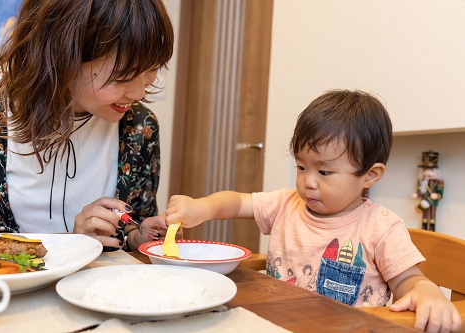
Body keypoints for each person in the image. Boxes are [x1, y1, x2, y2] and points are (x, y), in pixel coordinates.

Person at [165, 90, 461, 332]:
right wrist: (201, 207)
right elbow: (237, 202)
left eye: (325, 172)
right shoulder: (286, 204)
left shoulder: (381, 228)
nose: (308, 182)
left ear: (370, 176)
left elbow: (408, 280)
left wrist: (426, 291)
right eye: (301, 167)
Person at [0, 0, 181, 251]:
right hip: (0, 289)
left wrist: (137, 236)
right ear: (63, 55)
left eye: (152, 69)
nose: (138, 92)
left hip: (97, 289)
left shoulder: (140, 126)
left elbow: (133, 222)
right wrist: (72, 242)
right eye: (123, 76)